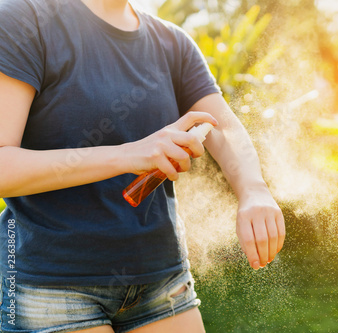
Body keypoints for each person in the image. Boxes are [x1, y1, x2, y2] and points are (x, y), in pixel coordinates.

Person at [0, 0, 285, 332]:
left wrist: (253, 189)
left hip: (163, 281)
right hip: (53, 287)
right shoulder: (24, 19)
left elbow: (221, 126)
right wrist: (128, 155)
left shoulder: (173, 43)